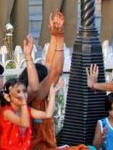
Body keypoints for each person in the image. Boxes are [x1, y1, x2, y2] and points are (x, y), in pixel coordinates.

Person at [18, 14, 69, 150]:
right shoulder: (33, 96)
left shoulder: (30, 93)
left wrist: (54, 35)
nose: (49, 83)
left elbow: (50, 65)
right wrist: (59, 36)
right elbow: (55, 72)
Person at [0, 78, 59, 150]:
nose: (22, 94)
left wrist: (52, 94)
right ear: (7, 97)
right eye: (18, 92)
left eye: (24, 91)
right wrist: (23, 102)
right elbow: (24, 123)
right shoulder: (7, 112)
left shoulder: (28, 110)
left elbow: (48, 114)